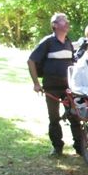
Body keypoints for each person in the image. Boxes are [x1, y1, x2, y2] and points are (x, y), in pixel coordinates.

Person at [27, 12, 82, 157]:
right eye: (63, 21)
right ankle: (57, 147)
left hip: (69, 87)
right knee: (54, 117)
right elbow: (31, 61)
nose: (67, 23)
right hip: (51, 87)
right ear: (55, 25)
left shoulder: (69, 42)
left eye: (67, 21)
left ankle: (80, 147)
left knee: (74, 115)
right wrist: (36, 84)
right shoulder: (48, 42)